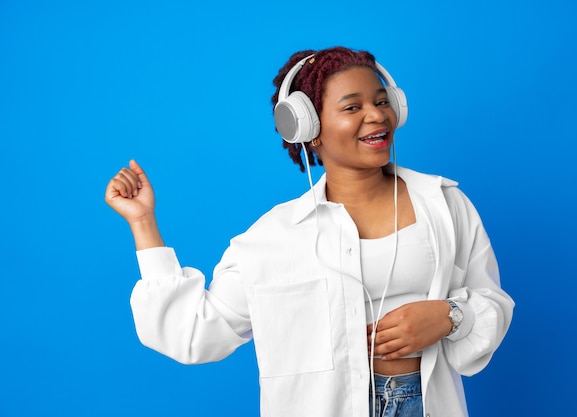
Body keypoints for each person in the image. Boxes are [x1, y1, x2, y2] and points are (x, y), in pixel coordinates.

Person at [105, 46, 514, 417]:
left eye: (382, 101)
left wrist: (450, 316)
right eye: (352, 107)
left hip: (425, 404)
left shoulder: (444, 204)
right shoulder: (273, 238)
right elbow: (193, 332)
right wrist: (143, 223)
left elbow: (492, 302)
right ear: (307, 128)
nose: (377, 115)